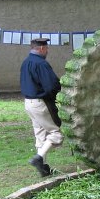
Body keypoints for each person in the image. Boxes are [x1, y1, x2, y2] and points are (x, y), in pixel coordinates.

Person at [20, 38, 63, 177]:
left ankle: (43, 168)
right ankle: (39, 158)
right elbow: (52, 85)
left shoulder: (26, 62)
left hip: (28, 103)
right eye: (47, 49)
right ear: (42, 49)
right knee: (56, 134)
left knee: (40, 135)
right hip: (40, 103)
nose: (47, 51)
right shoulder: (41, 63)